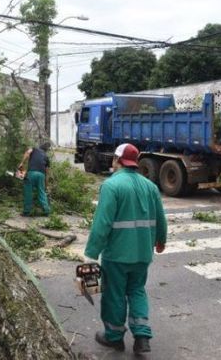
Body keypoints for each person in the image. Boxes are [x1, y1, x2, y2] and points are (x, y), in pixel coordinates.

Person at [84, 143, 167, 355]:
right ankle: (141, 336)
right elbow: (160, 219)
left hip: (117, 255)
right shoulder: (150, 187)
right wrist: (161, 240)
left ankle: (113, 337)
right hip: (142, 253)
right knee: (137, 290)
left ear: (116, 161)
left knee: (115, 295)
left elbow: (102, 223)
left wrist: (91, 253)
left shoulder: (111, 186)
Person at [17, 142, 51, 217]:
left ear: (40, 146)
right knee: (41, 192)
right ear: (46, 150)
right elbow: (47, 173)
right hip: (41, 175)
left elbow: (27, 152)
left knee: (28, 192)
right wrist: (46, 185)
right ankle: (46, 210)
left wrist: (22, 163)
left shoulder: (34, 149)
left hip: (31, 173)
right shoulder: (46, 157)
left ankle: (26, 212)